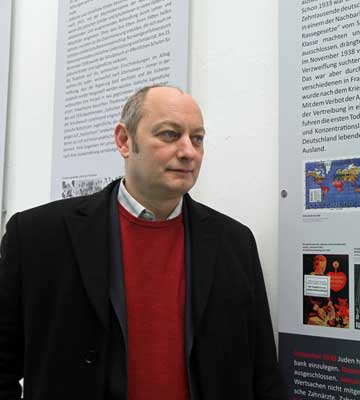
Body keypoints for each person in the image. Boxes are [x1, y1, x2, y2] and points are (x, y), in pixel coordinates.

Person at [0, 86, 283, 399]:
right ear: (124, 141)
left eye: (197, 138)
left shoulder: (234, 242)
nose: (188, 151)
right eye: (169, 134)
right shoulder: (38, 236)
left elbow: (263, 373)